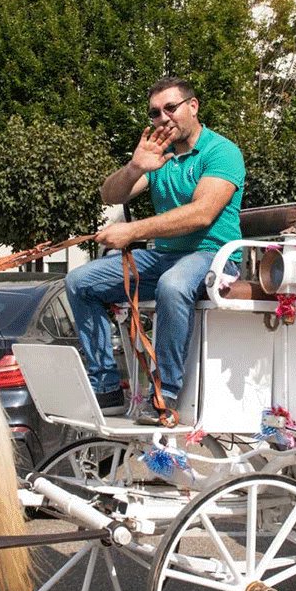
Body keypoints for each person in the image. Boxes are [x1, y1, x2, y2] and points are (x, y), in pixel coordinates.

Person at [66, 77, 245, 425]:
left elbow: (202, 213)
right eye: (154, 113)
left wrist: (132, 230)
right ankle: (105, 387)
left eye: (170, 108)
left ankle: (165, 396)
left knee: (173, 284)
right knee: (79, 282)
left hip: (213, 256)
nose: (162, 118)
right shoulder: (160, 158)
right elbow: (110, 195)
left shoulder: (221, 151)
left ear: (192, 106)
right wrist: (135, 167)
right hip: (165, 257)